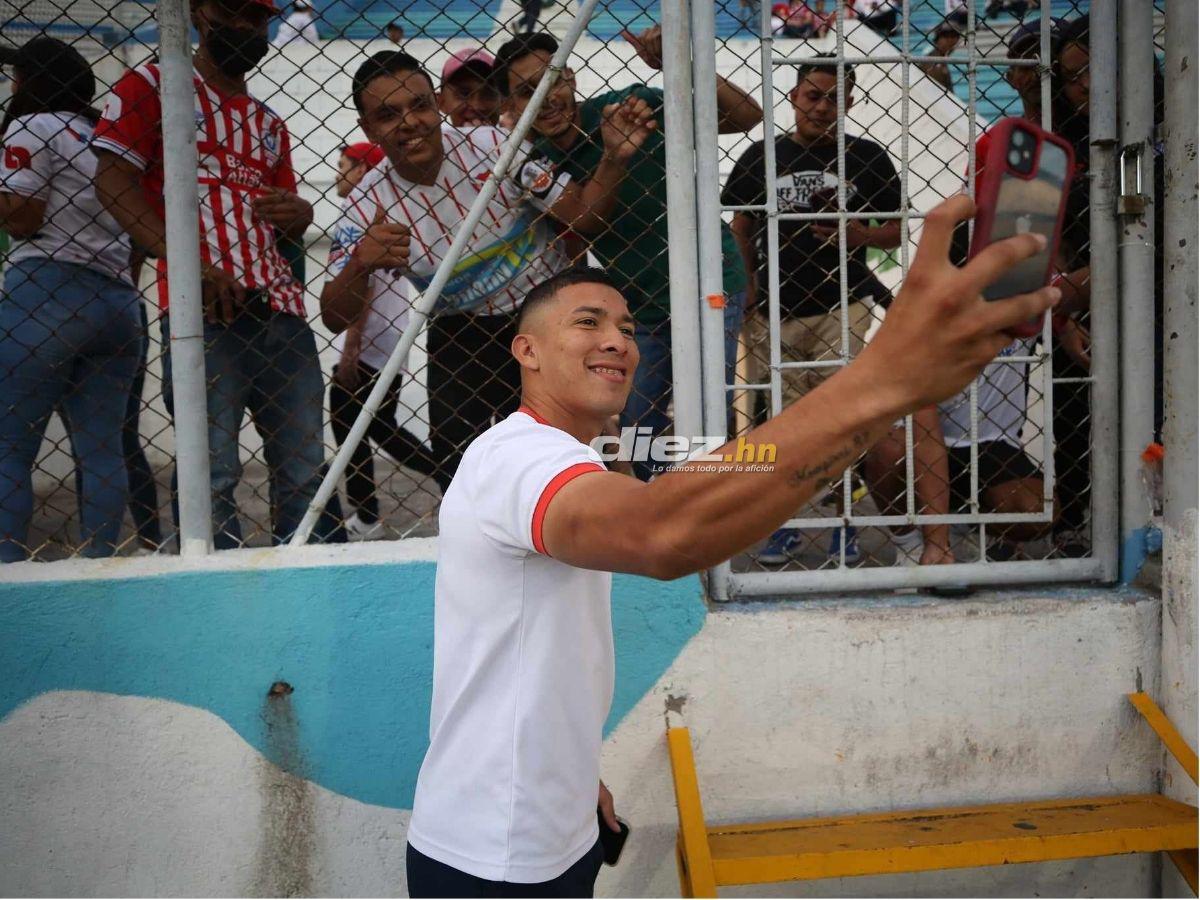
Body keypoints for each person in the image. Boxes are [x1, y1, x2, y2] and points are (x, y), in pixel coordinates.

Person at [405, 198, 1060, 896]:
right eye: (587, 322)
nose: (618, 341)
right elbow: (663, 532)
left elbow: (540, 648)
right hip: (492, 857)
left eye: (626, 327)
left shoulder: (573, 464)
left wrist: (568, 778)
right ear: (526, 349)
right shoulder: (516, 457)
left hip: (551, 826)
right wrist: (878, 380)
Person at [319, 51, 657, 488]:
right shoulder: (364, 203)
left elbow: (582, 217)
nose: (409, 122)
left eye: (419, 106)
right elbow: (333, 315)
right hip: (462, 328)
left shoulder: (494, 147)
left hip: (545, 315)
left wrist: (612, 158)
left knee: (580, 455)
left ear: (437, 103)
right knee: (461, 471)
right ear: (366, 129)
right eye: (387, 114)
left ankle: (609, 530)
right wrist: (360, 264)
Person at [94, 0, 345, 548]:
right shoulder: (154, 85)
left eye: (257, 19)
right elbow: (111, 180)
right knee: (211, 478)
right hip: (200, 317)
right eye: (232, 11)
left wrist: (300, 216)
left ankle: (309, 591)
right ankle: (219, 594)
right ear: (199, 12)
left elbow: (283, 225)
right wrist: (189, 267)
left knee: (306, 476)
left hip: (281, 313)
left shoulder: (268, 124)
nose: (244, 27)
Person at [493, 28, 762, 481]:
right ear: (511, 108)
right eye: (526, 91)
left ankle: (706, 516)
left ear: (571, 77)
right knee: (639, 426)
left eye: (552, 80)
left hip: (712, 280)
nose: (547, 98)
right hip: (641, 306)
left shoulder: (630, 104)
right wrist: (614, 155)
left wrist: (682, 65)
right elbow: (585, 220)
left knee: (709, 417)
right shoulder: (531, 162)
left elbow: (746, 116)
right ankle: (654, 512)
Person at [722, 56, 905, 564]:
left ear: (849, 102)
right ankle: (788, 522)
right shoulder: (762, 156)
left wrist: (860, 235)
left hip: (840, 304)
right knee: (781, 424)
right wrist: (748, 285)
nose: (823, 107)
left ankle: (844, 520)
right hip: (772, 307)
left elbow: (896, 227)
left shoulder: (866, 157)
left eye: (834, 98)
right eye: (813, 96)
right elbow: (740, 226)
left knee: (839, 420)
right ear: (794, 97)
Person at [0, 38, 143, 561]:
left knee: (9, 447)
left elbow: (24, 216)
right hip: (117, 302)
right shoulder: (104, 139)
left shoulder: (31, 126)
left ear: (31, 81)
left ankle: (7, 574)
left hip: (45, 290)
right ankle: (99, 564)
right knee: (102, 449)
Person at [437, 48, 501, 128]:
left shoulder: (515, 138)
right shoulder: (433, 140)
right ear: (441, 102)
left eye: (489, 94)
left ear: (503, 101)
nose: (476, 106)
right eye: (464, 94)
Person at [920, 21, 961, 93]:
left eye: (954, 36)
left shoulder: (941, 59)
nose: (950, 40)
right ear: (937, 39)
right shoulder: (932, 62)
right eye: (946, 36)